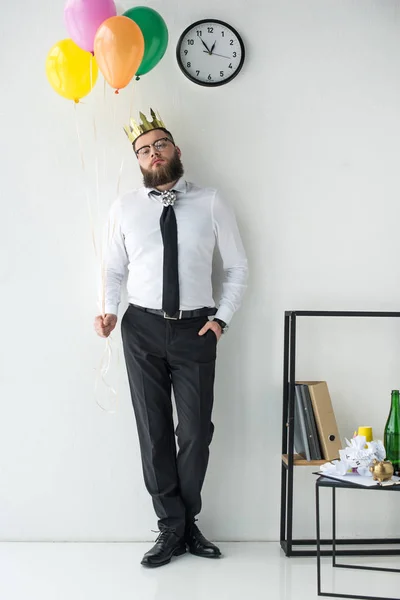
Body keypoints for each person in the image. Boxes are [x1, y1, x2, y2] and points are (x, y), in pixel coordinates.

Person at [94, 109, 248, 568]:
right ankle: (173, 527)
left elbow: (237, 267)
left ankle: (185, 520)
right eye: (143, 150)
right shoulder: (124, 207)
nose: (153, 153)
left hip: (196, 328)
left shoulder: (212, 201)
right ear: (138, 162)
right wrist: (107, 309)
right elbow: (114, 269)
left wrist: (221, 319)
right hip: (140, 327)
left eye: (160, 144)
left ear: (176, 151)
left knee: (196, 432)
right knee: (154, 431)